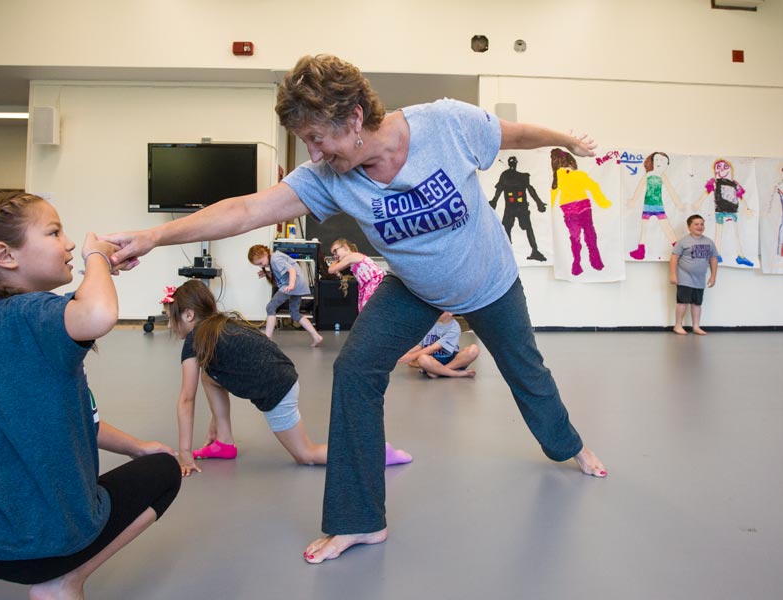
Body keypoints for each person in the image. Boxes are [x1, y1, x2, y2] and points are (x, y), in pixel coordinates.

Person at [101, 54, 607, 565]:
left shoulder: (446, 123)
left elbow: (514, 133)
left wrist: (565, 140)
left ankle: (569, 446)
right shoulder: (327, 176)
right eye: (305, 141)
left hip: (491, 282)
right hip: (415, 288)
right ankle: (359, 520)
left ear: (355, 117)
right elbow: (247, 209)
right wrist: (154, 236)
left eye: (318, 138)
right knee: (355, 368)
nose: (314, 152)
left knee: (527, 372)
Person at [0, 190, 182, 599]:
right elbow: (98, 314)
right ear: (6, 255)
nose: (71, 242)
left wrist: (134, 446)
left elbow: (71, 420)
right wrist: (96, 258)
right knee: (165, 471)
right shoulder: (29, 313)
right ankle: (64, 581)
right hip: (56, 542)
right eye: (55, 232)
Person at [163, 280, 411, 475]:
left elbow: (186, 399)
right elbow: (217, 378)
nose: (169, 326)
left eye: (170, 317)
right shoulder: (218, 326)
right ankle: (224, 442)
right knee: (209, 376)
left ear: (188, 315)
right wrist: (215, 425)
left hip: (277, 389)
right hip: (282, 373)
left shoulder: (194, 340)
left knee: (306, 454)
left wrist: (184, 452)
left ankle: (375, 454)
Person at [550, 148, 611, 276]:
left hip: (569, 209)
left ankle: (577, 263)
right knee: (589, 234)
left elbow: (553, 195)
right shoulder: (579, 175)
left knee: (575, 237)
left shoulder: (557, 178)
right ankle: (595, 260)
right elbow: (594, 186)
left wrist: (547, 208)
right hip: (583, 206)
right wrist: (603, 201)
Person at [248, 243, 323, 346]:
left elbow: (291, 271)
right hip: (297, 285)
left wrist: (291, 285)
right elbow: (281, 274)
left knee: (270, 307)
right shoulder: (274, 259)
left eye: (260, 263)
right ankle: (316, 336)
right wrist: (267, 273)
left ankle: (267, 339)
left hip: (291, 286)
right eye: (258, 265)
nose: (261, 266)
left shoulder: (275, 259)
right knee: (295, 314)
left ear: (265, 253)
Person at [693, 158, 754, 267]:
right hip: (720, 211)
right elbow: (707, 192)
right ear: (715, 171)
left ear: (730, 169)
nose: (722, 170)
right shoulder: (715, 182)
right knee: (719, 234)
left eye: (725, 167)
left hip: (733, 212)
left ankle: (740, 256)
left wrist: (747, 208)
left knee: (735, 235)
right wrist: (698, 202)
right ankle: (717, 255)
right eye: (719, 168)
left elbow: (740, 196)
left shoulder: (735, 184)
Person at [627, 151, 684, 260]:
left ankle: (678, 249)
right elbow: (639, 187)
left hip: (658, 206)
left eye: (663, 160)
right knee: (644, 228)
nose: (659, 162)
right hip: (647, 205)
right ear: (653, 162)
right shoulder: (648, 175)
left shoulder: (662, 176)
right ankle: (640, 251)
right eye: (657, 159)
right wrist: (634, 200)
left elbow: (671, 189)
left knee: (666, 227)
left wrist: (678, 203)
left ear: (667, 164)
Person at [490, 156, 548, 262]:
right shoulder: (515, 176)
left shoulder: (511, 176)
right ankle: (508, 253)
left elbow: (530, 190)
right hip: (515, 207)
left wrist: (539, 203)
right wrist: (494, 201)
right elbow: (500, 189)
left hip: (517, 207)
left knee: (514, 228)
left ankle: (533, 251)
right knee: (509, 229)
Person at [670, 214, 718, 336]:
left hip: (700, 279)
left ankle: (696, 326)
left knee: (697, 303)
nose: (700, 226)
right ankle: (678, 325)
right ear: (689, 227)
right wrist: (673, 275)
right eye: (696, 224)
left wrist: (713, 276)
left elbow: (713, 259)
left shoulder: (709, 242)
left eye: (702, 224)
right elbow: (674, 258)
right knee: (683, 302)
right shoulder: (683, 242)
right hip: (684, 277)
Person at [397, 312, 479, 378]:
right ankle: (454, 373)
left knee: (474, 349)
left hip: (451, 359)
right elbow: (420, 345)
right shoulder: (430, 324)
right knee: (423, 359)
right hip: (433, 359)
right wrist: (403, 354)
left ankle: (439, 371)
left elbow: (435, 348)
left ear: (450, 312)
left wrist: (411, 357)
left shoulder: (454, 327)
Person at [326, 238, 385, 312]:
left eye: (335, 251)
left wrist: (335, 260)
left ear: (345, 247)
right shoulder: (351, 260)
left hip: (374, 282)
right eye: (333, 254)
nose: (335, 255)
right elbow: (336, 270)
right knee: (363, 310)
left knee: (368, 311)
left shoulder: (352, 256)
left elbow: (331, 270)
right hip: (367, 284)